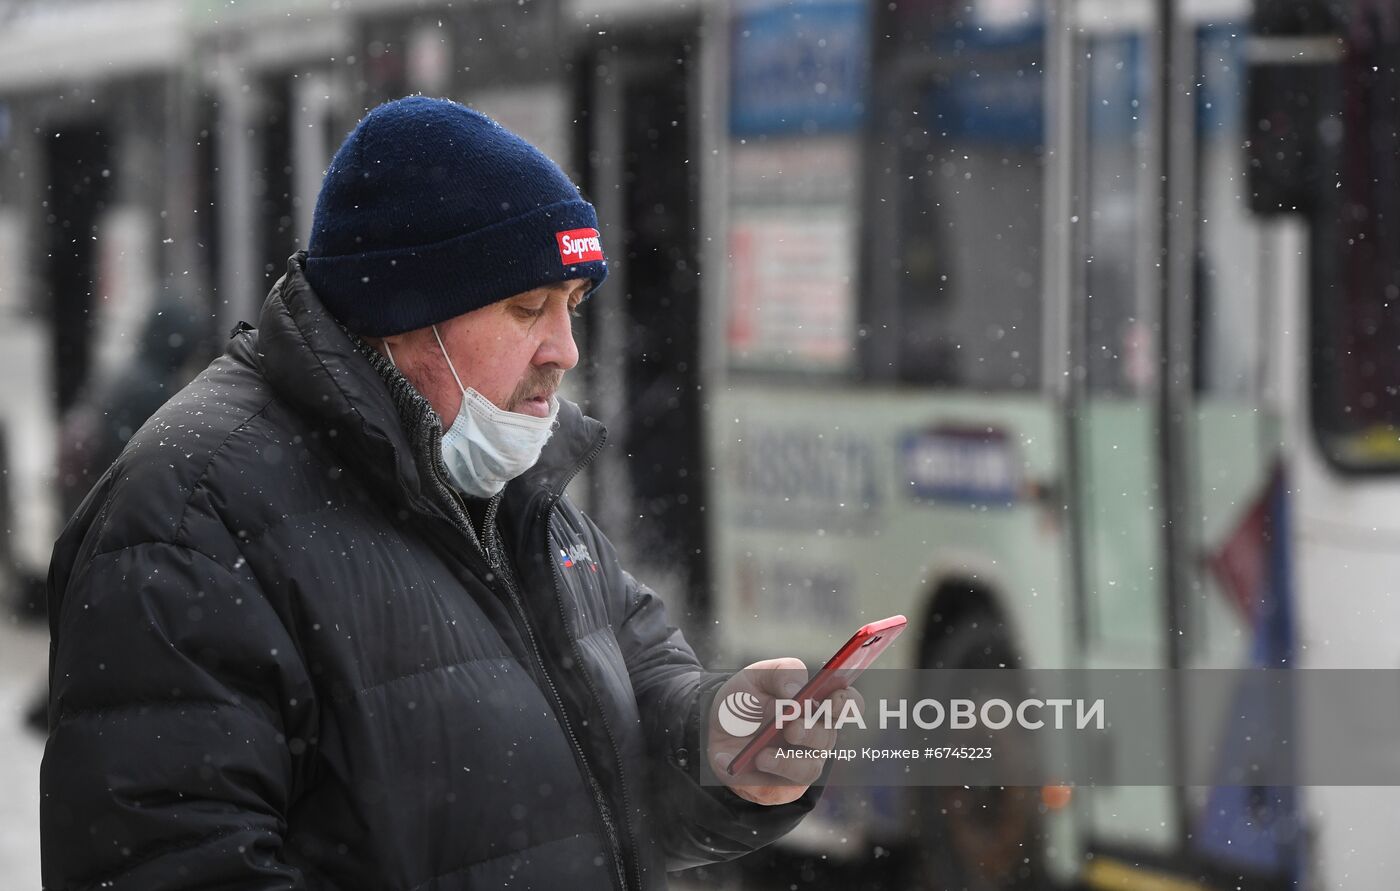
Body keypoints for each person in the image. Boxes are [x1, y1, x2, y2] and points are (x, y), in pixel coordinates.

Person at [40, 96, 857, 890]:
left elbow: (628, 732)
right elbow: (174, 860)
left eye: (571, 306)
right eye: (526, 306)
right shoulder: (191, 515)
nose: (564, 349)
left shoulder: (513, 486)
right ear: (399, 314)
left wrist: (723, 734)